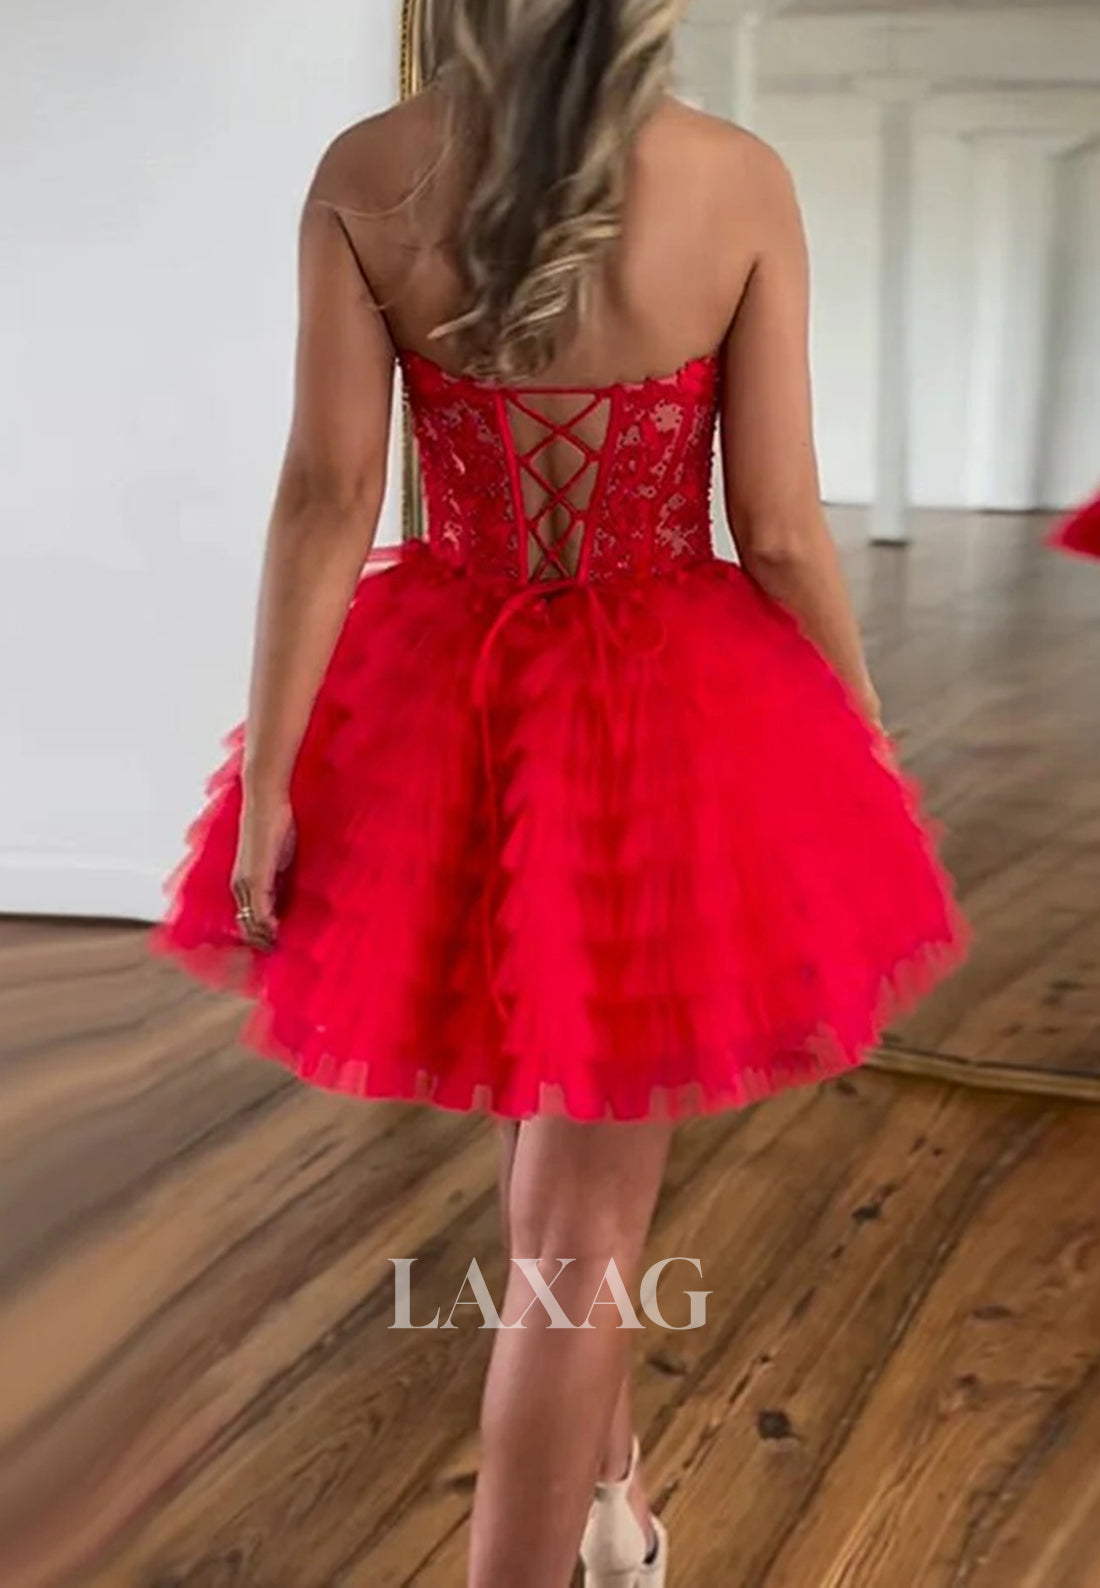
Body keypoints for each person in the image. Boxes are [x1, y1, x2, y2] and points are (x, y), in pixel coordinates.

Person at [151, 3, 967, 1583]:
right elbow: (777, 525)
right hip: (666, 707)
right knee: (580, 1243)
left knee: (554, 1153)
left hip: (444, 700)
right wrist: (856, 733)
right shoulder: (736, 178)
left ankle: (618, 1506)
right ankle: (579, 1547)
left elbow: (328, 494)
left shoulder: (368, 174)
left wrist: (274, 777)